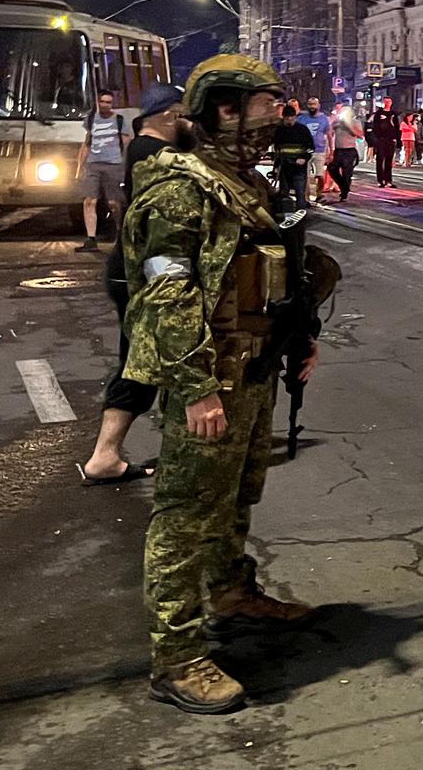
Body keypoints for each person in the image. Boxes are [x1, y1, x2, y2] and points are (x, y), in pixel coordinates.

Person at [122, 54, 325, 713]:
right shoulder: (179, 186)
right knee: (186, 513)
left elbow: (275, 272)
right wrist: (195, 385)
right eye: (267, 103)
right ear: (226, 109)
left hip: (253, 366)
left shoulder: (244, 184)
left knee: (236, 495)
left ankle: (234, 591)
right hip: (209, 378)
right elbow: (165, 287)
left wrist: (302, 336)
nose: (279, 115)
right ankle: (177, 657)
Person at [79, 83, 186, 485]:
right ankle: (105, 456)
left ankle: (108, 455)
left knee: (142, 361)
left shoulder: (147, 149)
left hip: (137, 270)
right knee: (141, 364)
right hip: (139, 273)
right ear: (169, 116)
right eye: (182, 114)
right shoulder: (152, 152)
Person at [75, 89, 128, 252]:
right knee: (89, 201)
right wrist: (80, 166)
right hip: (93, 164)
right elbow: (87, 143)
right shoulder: (91, 119)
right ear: (98, 103)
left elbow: (125, 143)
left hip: (113, 165)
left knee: (114, 203)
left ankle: (121, 234)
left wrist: (125, 165)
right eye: (102, 102)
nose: (105, 105)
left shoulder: (119, 120)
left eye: (108, 102)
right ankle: (91, 239)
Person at [271, 104, 314, 210]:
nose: (289, 120)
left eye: (291, 117)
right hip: (284, 166)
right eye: (286, 117)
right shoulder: (279, 131)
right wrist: (276, 165)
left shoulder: (302, 130)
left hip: (298, 167)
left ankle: (301, 212)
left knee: (300, 192)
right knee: (283, 192)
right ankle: (286, 214)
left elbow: (311, 147)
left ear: (295, 117)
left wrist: (304, 158)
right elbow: (276, 148)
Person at [295, 96, 331, 205]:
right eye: (310, 104)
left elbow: (328, 134)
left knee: (320, 175)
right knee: (304, 176)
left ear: (318, 105)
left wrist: (331, 150)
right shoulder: (302, 119)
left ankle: (319, 194)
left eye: (314, 104)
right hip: (305, 151)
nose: (312, 107)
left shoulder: (324, 118)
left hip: (320, 150)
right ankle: (305, 198)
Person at [328, 104, 363, 201]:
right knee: (332, 168)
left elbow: (360, 135)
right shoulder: (338, 123)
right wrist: (333, 120)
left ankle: (344, 193)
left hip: (349, 151)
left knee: (347, 173)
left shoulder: (355, 122)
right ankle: (344, 186)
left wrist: (348, 125)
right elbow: (329, 131)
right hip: (339, 150)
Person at [368, 97, 399, 187]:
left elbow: (397, 127)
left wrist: (396, 138)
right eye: (385, 102)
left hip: (390, 140)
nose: (387, 103)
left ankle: (388, 180)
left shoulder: (393, 114)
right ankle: (380, 180)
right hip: (381, 139)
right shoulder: (379, 113)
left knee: (389, 161)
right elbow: (375, 126)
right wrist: (376, 138)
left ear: (391, 103)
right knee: (380, 159)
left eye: (389, 102)